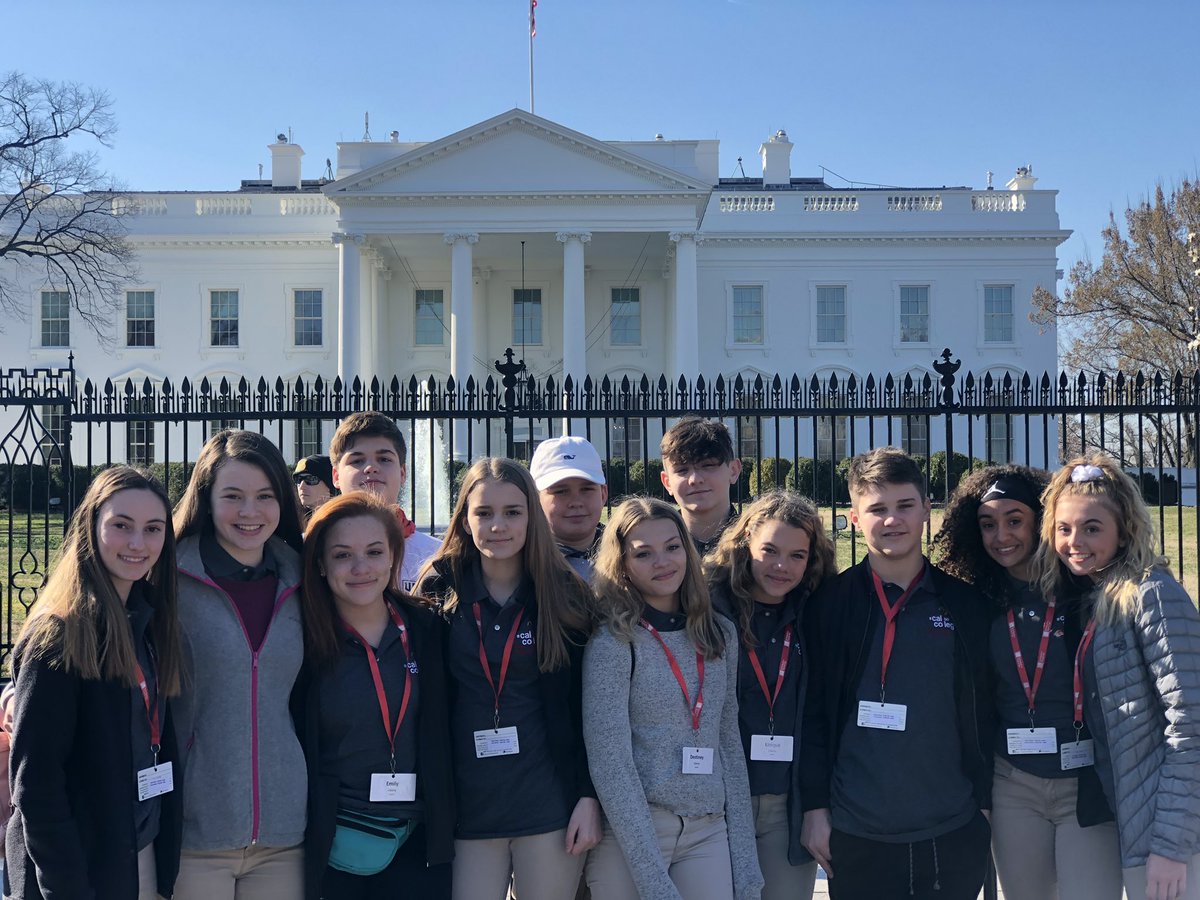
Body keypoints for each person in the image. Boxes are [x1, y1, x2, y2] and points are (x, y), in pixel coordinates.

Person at [799, 447, 993, 900]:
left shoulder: (966, 606)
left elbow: (987, 708)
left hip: (952, 829)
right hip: (856, 831)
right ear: (853, 518)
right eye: (877, 509)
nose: (893, 520)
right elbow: (812, 716)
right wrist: (814, 807)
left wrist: (983, 807)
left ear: (928, 509)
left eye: (905, 505)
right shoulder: (829, 606)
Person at [415, 457, 600, 900]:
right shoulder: (437, 590)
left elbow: (588, 708)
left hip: (548, 809)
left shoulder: (566, 594)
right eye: (483, 513)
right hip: (466, 812)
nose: (498, 525)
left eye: (512, 512)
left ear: (531, 516)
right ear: (464, 519)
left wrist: (588, 796)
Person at [934, 465, 1122, 900]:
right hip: (1013, 784)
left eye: (1014, 520)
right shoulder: (975, 602)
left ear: (1042, 520)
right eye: (988, 524)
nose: (1001, 535)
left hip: (1086, 782)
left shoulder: (1090, 593)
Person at [5, 466, 183, 900]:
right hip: (75, 871)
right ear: (91, 527)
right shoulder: (61, 635)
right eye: (121, 526)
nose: (138, 543)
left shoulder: (150, 624)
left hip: (134, 854)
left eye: (153, 528)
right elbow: (37, 785)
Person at [1035, 453, 1200, 900]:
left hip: (1165, 836)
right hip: (1127, 817)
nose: (1075, 542)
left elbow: (1191, 725)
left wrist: (1170, 847)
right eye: (1064, 529)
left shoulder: (1153, 594)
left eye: (1092, 528)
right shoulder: (1095, 595)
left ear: (1123, 530)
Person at [584, 497, 763, 900]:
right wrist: (653, 883)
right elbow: (611, 764)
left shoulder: (719, 634)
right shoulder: (614, 642)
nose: (662, 562)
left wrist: (747, 866)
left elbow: (728, 745)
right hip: (636, 831)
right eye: (643, 554)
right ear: (623, 564)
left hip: (707, 829)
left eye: (672, 547)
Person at [171, 429, 308, 899]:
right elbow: (87, 617)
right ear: (206, 499)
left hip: (284, 834)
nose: (250, 512)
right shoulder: (164, 576)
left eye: (264, 496)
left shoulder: (307, 577)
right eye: (233, 496)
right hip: (195, 833)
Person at [298, 492, 454, 899]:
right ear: (320, 563)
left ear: (392, 556)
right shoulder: (299, 639)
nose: (361, 568)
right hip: (332, 843)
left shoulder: (428, 628)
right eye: (343, 555)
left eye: (373, 552)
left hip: (419, 843)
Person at [706, 491, 836, 900]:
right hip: (720, 803)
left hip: (787, 804)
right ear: (745, 542)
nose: (782, 566)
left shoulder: (817, 613)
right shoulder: (706, 609)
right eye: (770, 550)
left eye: (797, 555)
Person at [330, 411, 440, 592]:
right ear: (336, 476)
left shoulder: (436, 555)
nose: (371, 468)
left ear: (403, 473)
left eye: (384, 459)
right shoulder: (309, 548)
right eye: (357, 460)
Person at [659, 418, 743, 555]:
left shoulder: (756, 542)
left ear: (733, 471)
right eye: (682, 470)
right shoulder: (655, 546)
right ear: (667, 482)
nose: (695, 479)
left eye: (708, 466)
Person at [530, 435, 608, 580]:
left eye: (586, 489)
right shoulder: (524, 562)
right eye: (561, 491)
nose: (576, 502)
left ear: (603, 494)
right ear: (535, 498)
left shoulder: (630, 552)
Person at [294, 454, 337, 520]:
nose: (301, 486)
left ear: (329, 484)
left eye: (310, 479)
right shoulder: (296, 521)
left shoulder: (341, 521)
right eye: (298, 479)